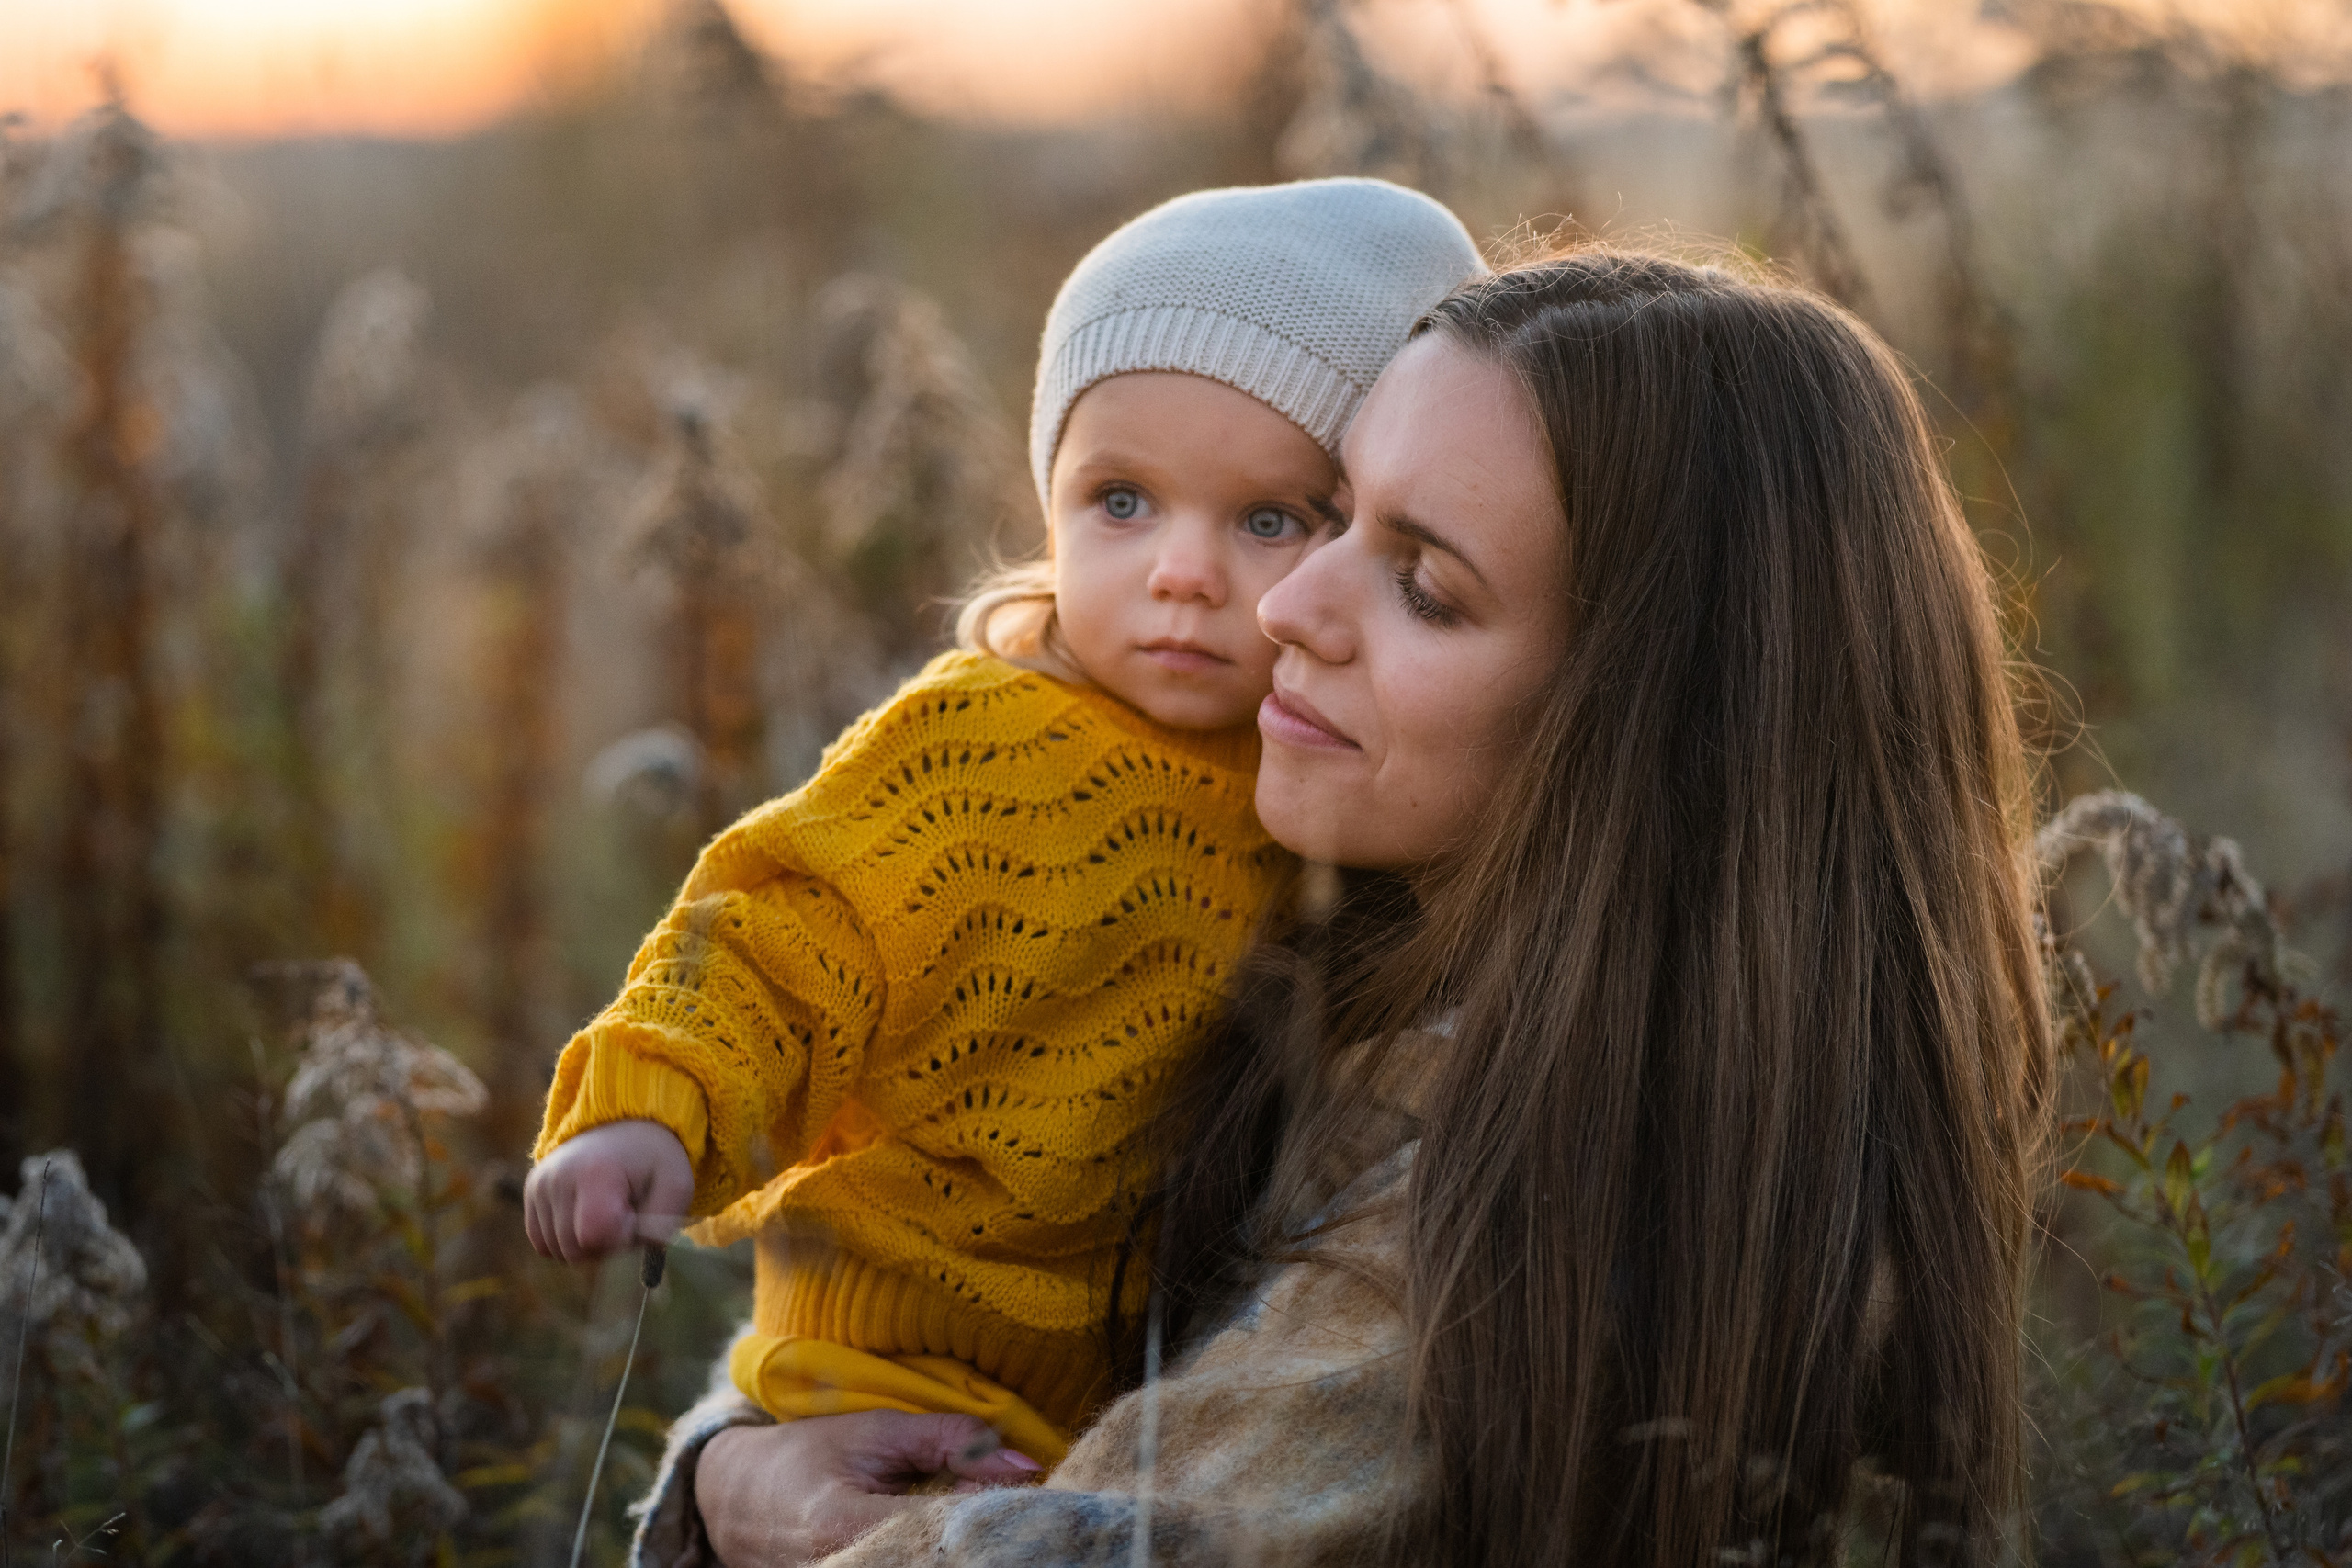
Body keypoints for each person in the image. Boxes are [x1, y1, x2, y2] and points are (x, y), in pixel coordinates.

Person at [650, 245, 2053, 1568]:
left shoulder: (1512, 1221)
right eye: (1329, 518)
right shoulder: (1339, 958)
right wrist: (746, 1448)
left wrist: (731, 1496)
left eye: (1423, 587)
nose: (1282, 607)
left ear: (1657, 727)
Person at [523, 179, 1484, 1471]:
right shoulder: (985, 743)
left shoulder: (1332, 780)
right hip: (877, 1368)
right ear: (1051, 508)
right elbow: (783, 932)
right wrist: (653, 1102)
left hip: (1127, 1408)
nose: (1180, 571)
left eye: (1269, 519)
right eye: (1121, 501)